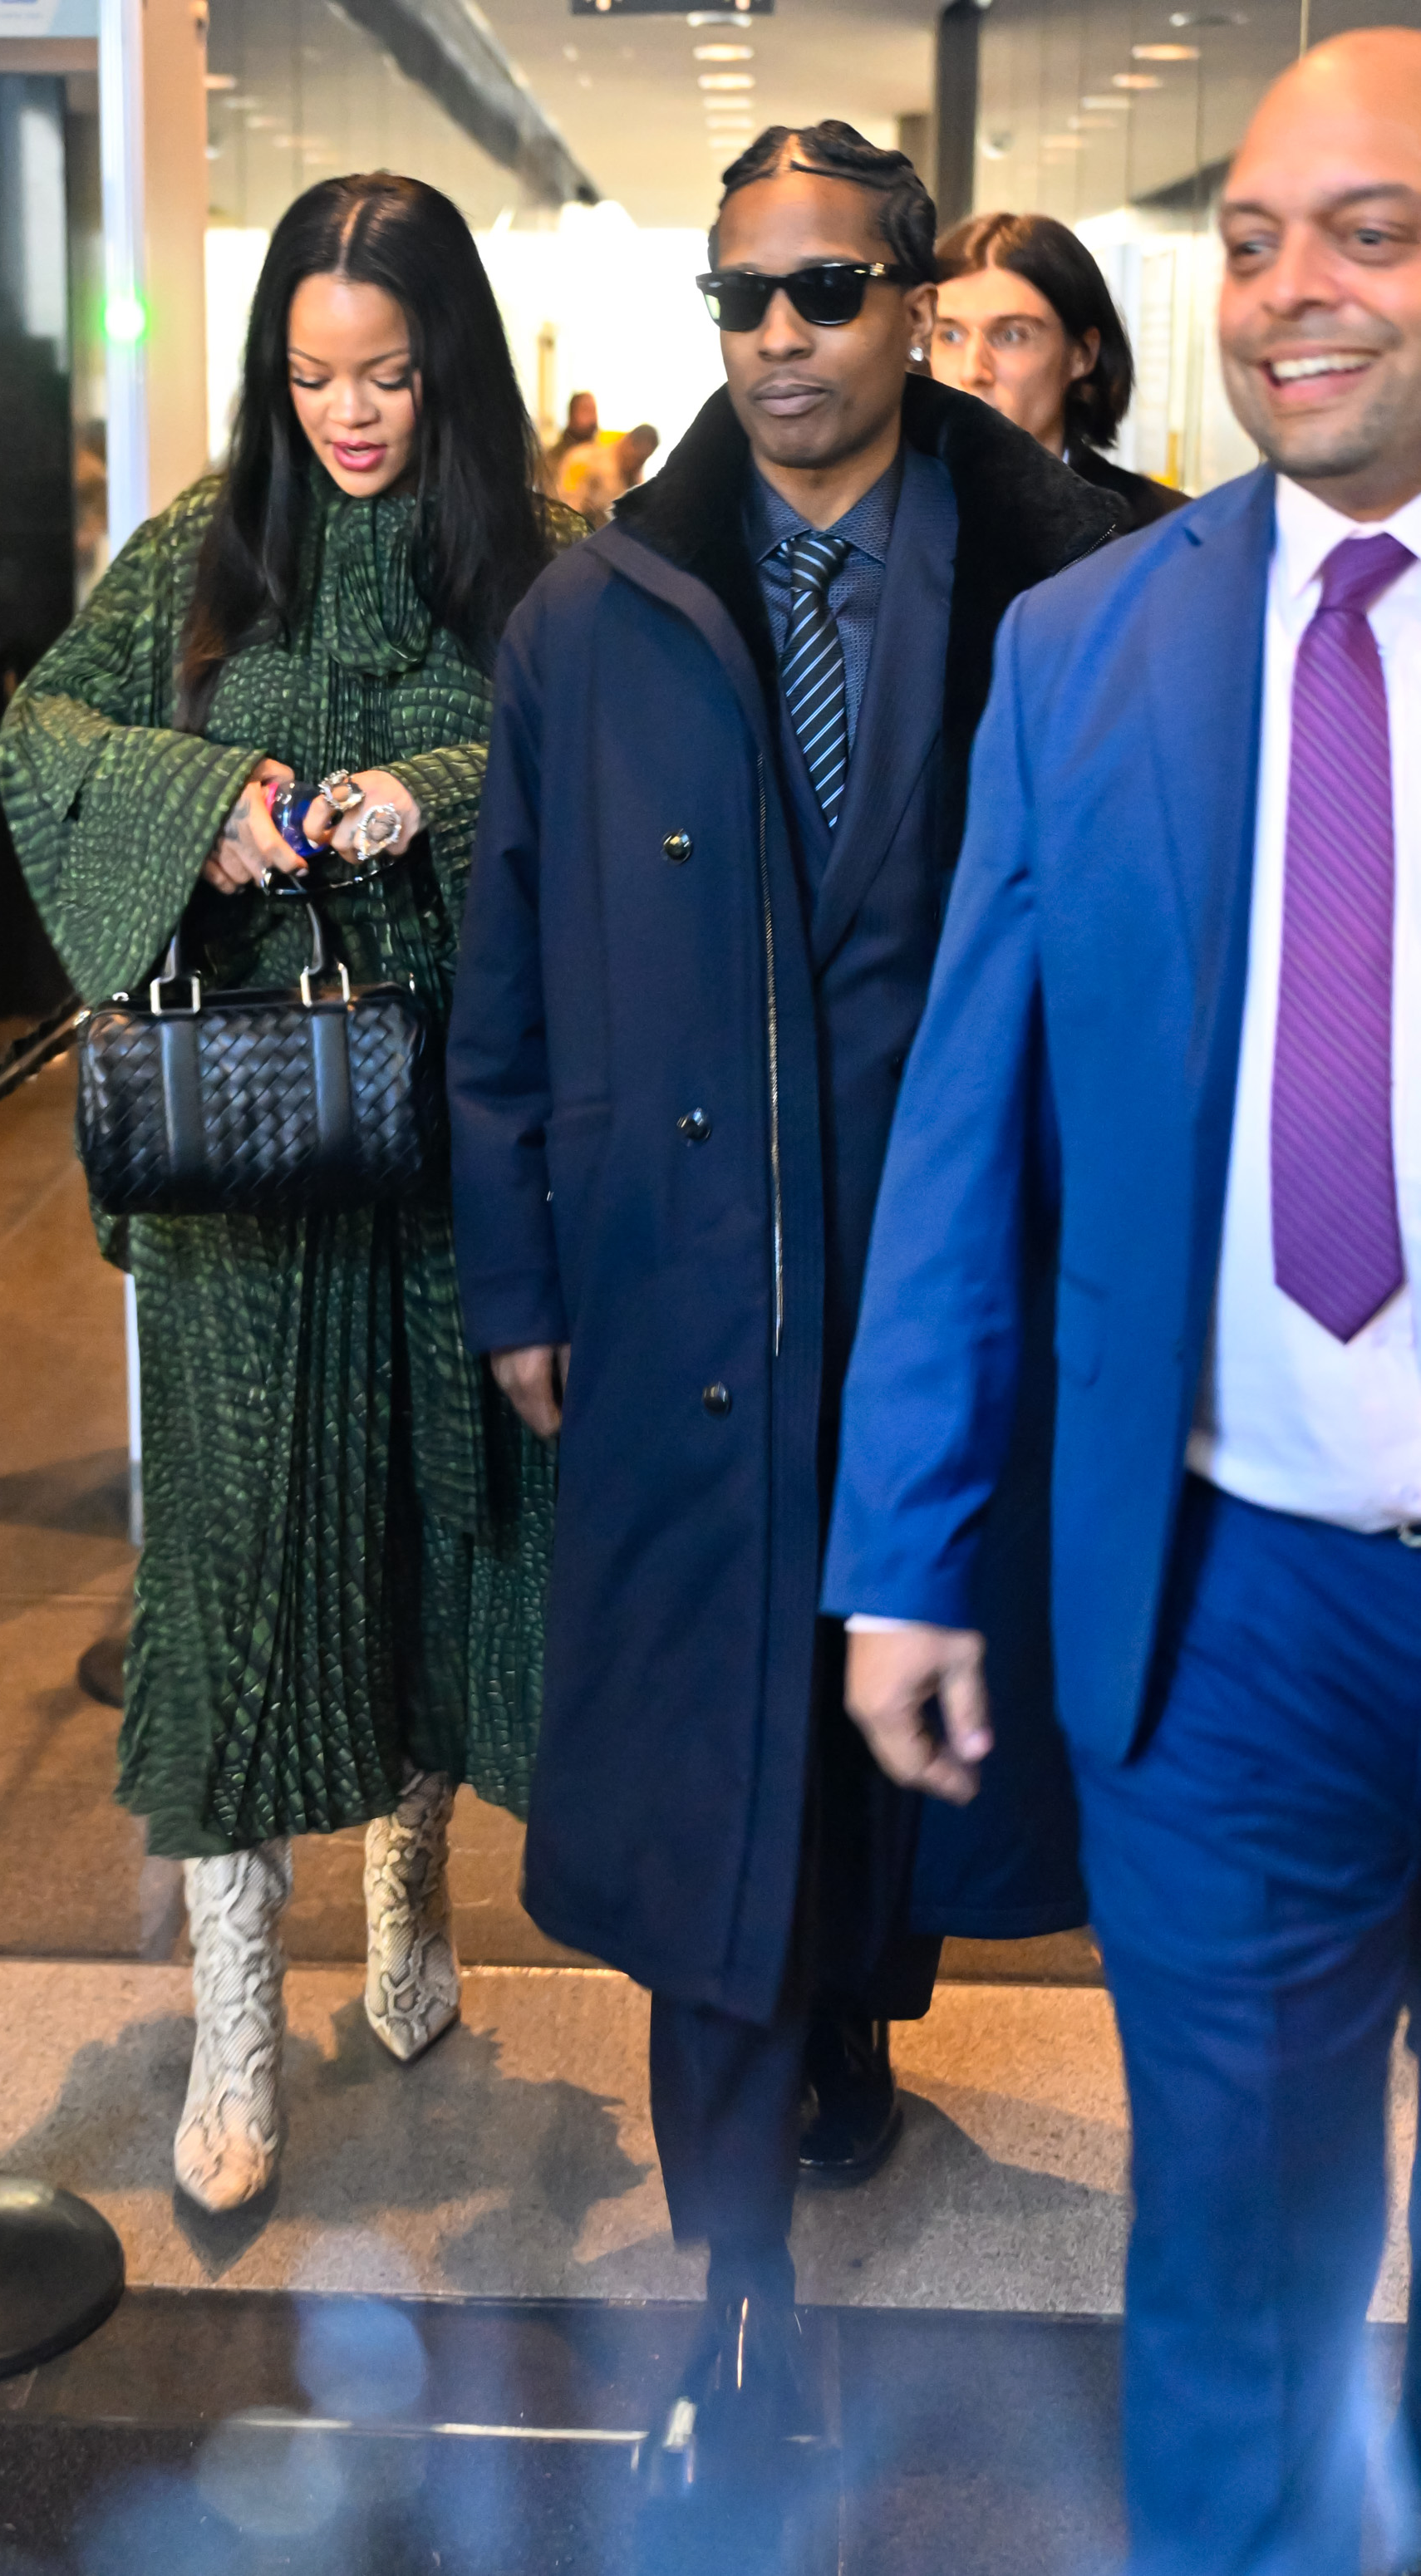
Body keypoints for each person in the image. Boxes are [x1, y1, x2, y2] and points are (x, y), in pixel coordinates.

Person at [448, 120, 1118, 2478]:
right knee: (716, 1781)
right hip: (684, 1297)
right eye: (738, 296)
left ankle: (860, 2008)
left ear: (913, 299)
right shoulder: (594, 613)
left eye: (824, 291)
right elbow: (505, 981)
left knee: (898, 1735)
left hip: (947, 1293)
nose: (774, 339)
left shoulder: (1063, 586)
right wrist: (519, 1270)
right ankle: (731, 2271)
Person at [830, 32, 1421, 2576]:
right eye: (1253, 235)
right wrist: (899, 1543)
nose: (1291, 291)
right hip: (1232, 1614)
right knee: (1233, 2268)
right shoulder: (1087, 654)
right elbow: (964, 1139)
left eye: (1368, 231)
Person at [0, 172, 578, 2215]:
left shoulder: (527, 563)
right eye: (313, 373)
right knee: (243, 1562)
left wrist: (432, 786)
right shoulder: (205, 549)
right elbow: (42, 737)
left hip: (448, 1145)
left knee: (436, 1522)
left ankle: (407, 1902)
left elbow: (611, 763)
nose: (349, 413)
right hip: (249, 1144)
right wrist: (209, 801)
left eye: (390, 373)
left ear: (449, 370)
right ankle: (235, 2008)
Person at [932, 209, 1184, 531]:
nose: (973, 370)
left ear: (1082, 354)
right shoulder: (877, 516)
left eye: (1012, 335)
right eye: (950, 336)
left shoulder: (1160, 530)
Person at [557, 421, 661, 524]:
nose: (637, 465)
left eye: (642, 461)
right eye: (637, 459)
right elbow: (567, 502)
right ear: (628, 442)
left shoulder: (633, 475)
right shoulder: (585, 460)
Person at [543, 388, 598, 491]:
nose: (592, 418)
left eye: (594, 411)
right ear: (571, 416)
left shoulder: (603, 455)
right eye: (586, 410)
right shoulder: (554, 459)